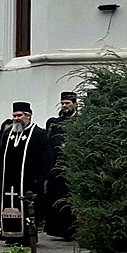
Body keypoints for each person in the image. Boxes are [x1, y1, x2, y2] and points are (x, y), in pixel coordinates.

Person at [0, 101, 53, 242]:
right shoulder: (8, 134)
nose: (16, 119)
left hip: (29, 181)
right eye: (14, 116)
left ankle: (26, 237)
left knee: (28, 209)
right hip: (8, 181)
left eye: (19, 115)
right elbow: (0, 155)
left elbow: (45, 156)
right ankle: (9, 235)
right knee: (8, 204)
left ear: (28, 116)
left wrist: (40, 176)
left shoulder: (38, 133)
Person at [43, 92, 79, 239]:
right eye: (63, 103)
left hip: (71, 167)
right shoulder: (55, 123)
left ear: (74, 104)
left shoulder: (78, 122)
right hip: (56, 168)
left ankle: (72, 230)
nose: (64, 106)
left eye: (67, 103)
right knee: (56, 198)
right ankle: (57, 230)